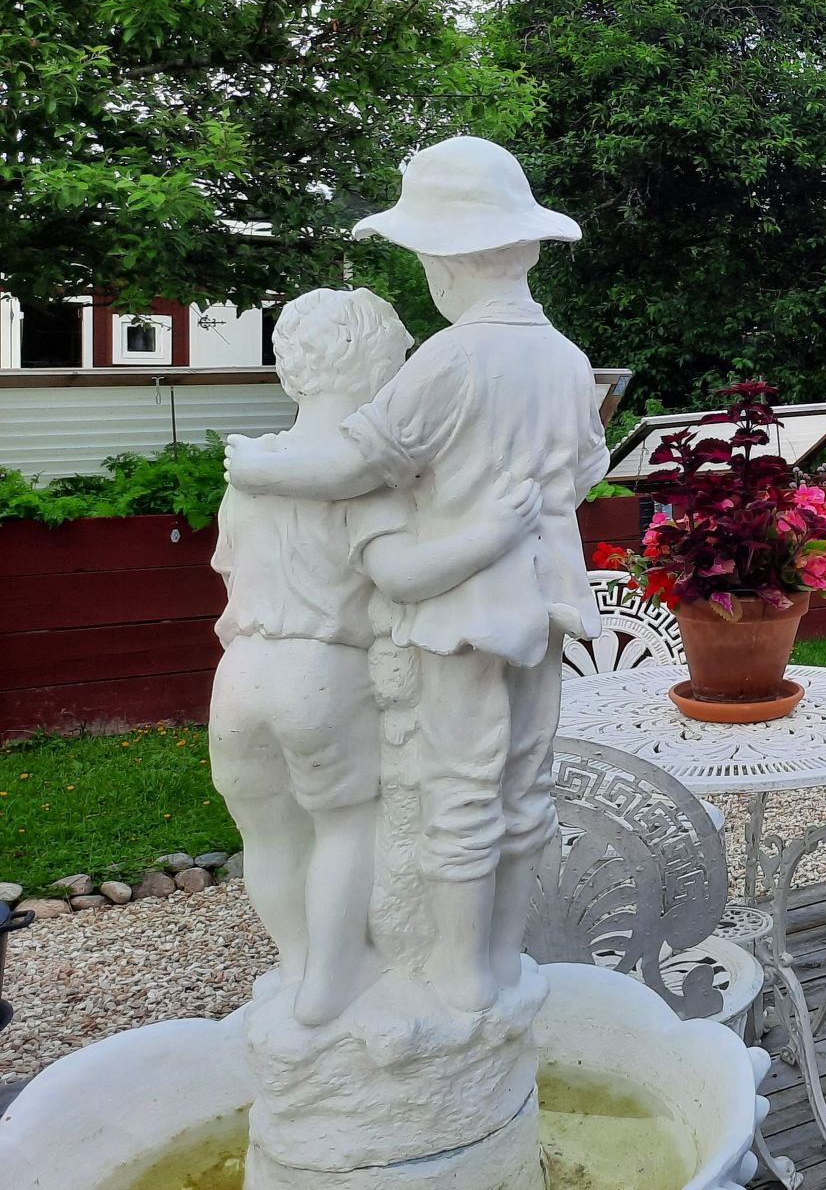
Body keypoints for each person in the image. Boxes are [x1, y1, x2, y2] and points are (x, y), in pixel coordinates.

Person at [226, 137, 608, 1013]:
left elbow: (354, 466)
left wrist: (256, 468)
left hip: (456, 608)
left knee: (462, 791)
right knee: (526, 784)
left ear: (444, 262)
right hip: (545, 605)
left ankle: (462, 971)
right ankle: (502, 957)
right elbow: (587, 470)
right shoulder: (565, 358)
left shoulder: (450, 358)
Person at [212, 287, 543, 1026]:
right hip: (319, 675)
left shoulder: (250, 471)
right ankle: (331, 977)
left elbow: (234, 576)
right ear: (373, 367)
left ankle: (296, 966)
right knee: (342, 826)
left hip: (237, 677)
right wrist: (495, 531)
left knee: (267, 836)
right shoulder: (363, 478)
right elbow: (401, 576)